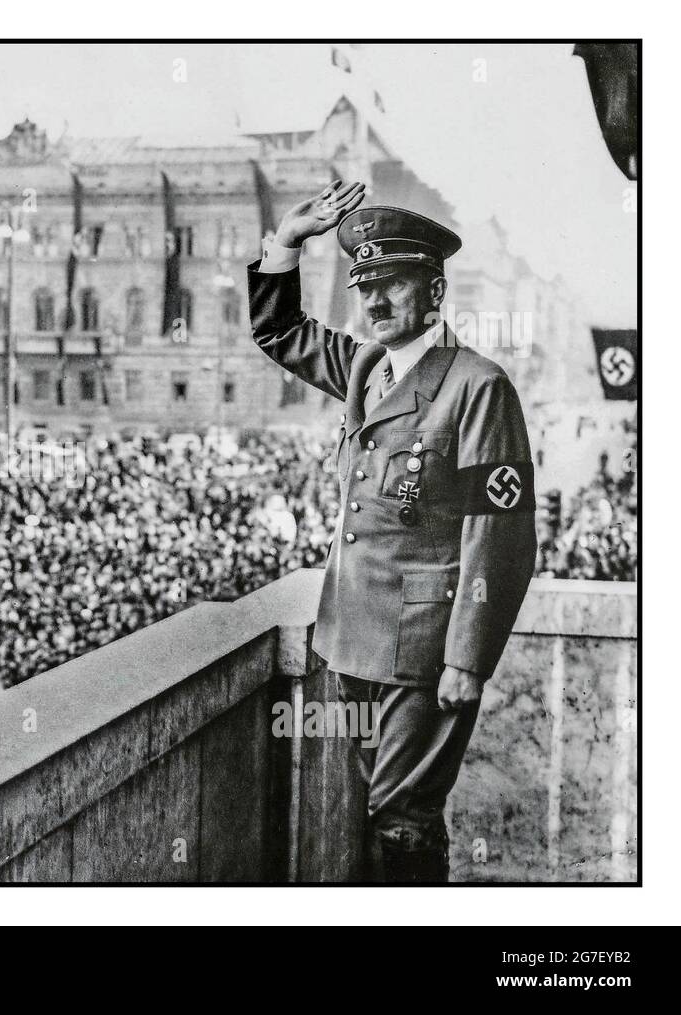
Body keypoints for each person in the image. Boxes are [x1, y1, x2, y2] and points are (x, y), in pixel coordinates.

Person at [247, 180, 538, 883]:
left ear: (434, 292)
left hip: (424, 649)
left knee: (402, 817)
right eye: (363, 287)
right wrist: (286, 242)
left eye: (393, 286)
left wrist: (468, 656)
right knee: (380, 812)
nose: (374, 303)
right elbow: (281, 333)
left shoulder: (477, 386)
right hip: (353, 638)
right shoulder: (368, 368)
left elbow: (499, 536)